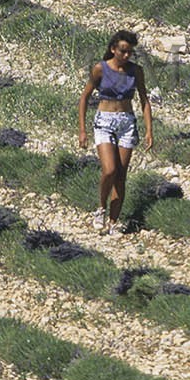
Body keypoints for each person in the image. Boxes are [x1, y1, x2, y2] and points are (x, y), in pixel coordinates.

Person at [77, 30, 153, 235]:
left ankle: (113, 222)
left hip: (127, 123)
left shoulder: (136, 71)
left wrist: (149, 131)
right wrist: (82, 130)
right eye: (123, 51)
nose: (127, 55)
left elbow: (144, 100)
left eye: (130, 52)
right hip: (104, 121)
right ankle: (101, 208)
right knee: (109, 170)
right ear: (113, 49)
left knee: (120, 175)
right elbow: (84, 98)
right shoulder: (100, 69)